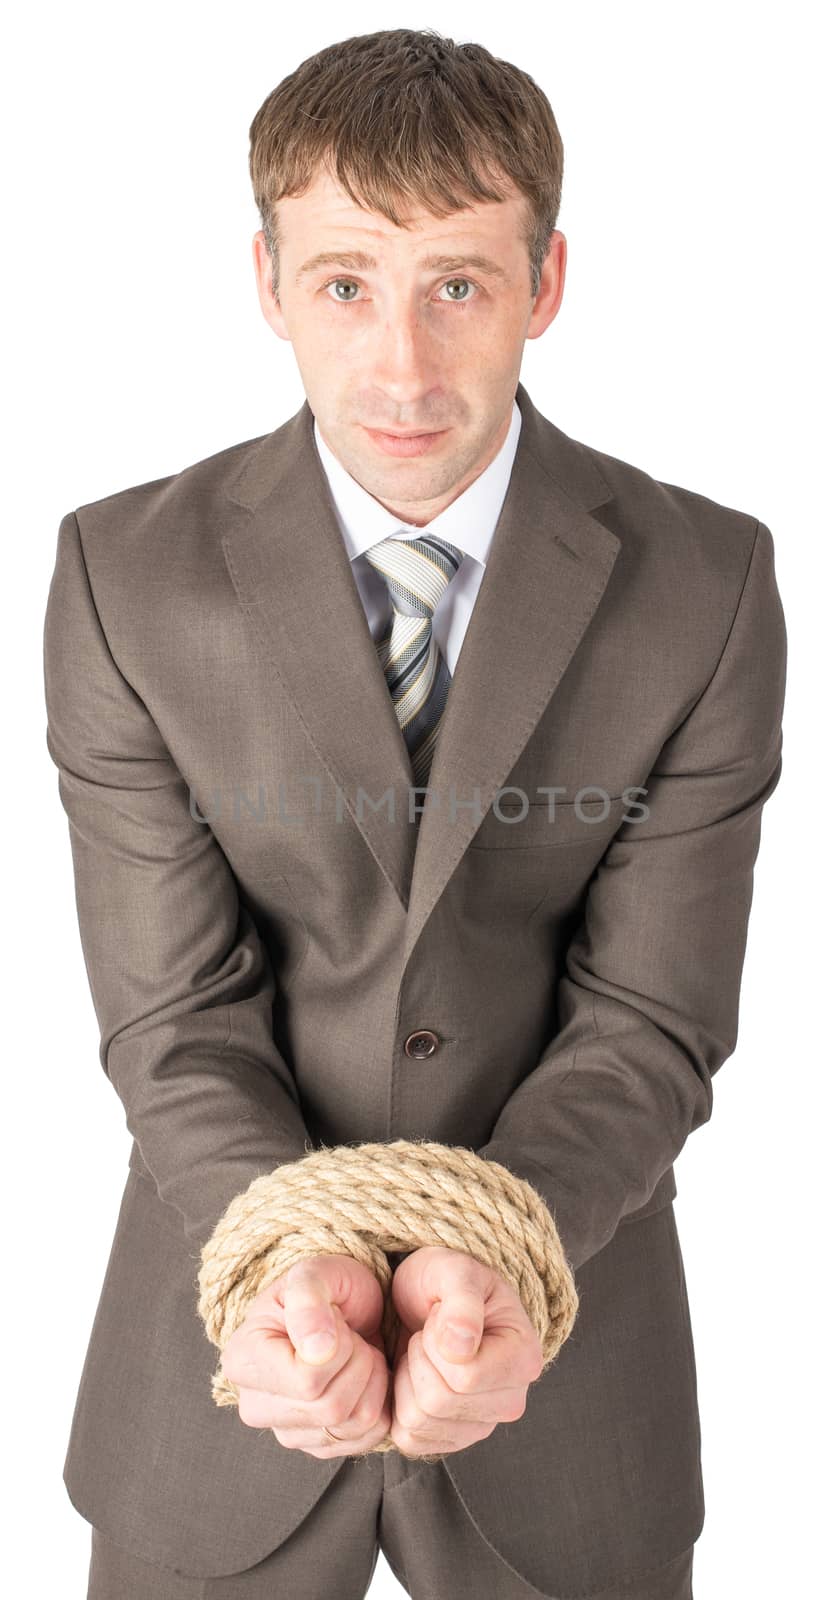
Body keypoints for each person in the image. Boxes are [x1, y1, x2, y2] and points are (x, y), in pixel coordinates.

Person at [43, 26, 787, 1600]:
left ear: (547, 284)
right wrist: (290, 1262)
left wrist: (493, 1250)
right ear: (266, 285)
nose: (401, 366)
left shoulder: (708, 584)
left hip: (567, 1374)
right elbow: (172, 1012)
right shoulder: (124, 577)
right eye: (344, 284)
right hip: (227, 1363)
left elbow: (653, 1013)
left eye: (456, 282)